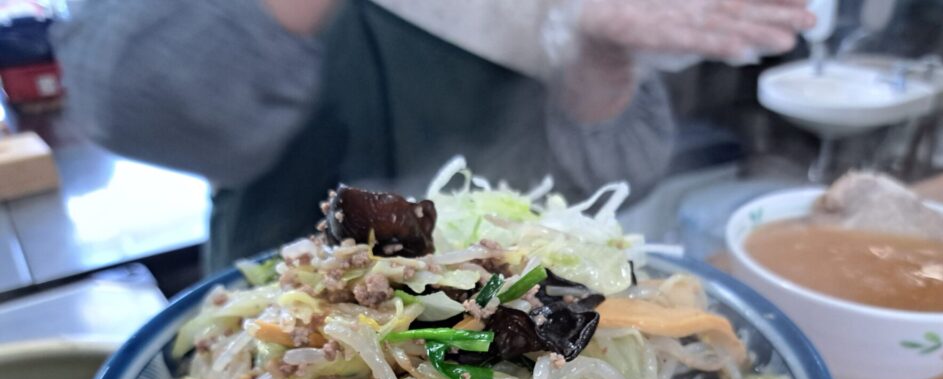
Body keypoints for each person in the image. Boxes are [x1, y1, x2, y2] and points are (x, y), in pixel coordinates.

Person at [53, 0, 813, 270]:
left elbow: (617, 174)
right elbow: (127, 95)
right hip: (286, 311)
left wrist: (600, 48)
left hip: (517, 314)